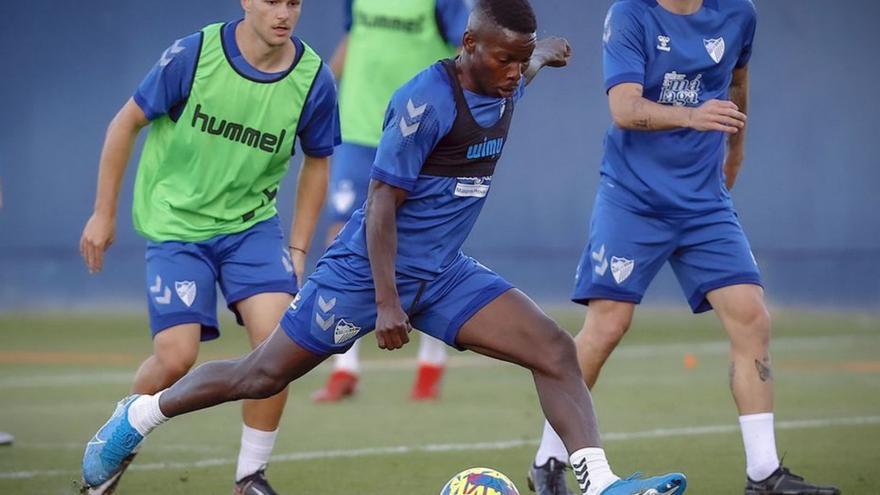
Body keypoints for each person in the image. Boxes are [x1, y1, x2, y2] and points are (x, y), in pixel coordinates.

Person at [82, 2, 689, 494]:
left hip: (443, 274)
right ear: (468, 48)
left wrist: (543, 52)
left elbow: (518, 69)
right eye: (505, 59)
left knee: (555, 349)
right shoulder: (424, 102)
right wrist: (389, 302)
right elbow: (378, 211)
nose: (513, 72)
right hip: (364, 276)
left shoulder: (503, 75)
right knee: (260, 375)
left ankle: (599, 482)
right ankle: (138, 416)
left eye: (520, 62)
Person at [526, 1, 841, 495]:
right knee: (607, 325)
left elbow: (738, 81)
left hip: (703, 201)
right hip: (633, 198)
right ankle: (548, 460)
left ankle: (763, 474)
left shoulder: (739, 13)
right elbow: (624, 109)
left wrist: (736, 148)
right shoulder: (631, 14)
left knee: (752, 316)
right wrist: (694, 116)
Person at [78, 0, 339, 493]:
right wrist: (103, 212)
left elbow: (318, 162)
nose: (283, 13)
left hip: (251, 228)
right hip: (177, 225)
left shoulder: (312, 77)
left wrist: (300, 250)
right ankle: (121, 434)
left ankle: (250, 476)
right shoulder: (193, 56)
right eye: (272, 1)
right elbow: (125, 123)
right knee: (177, 358)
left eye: (294, 2)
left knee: (279, 350)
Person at [312, 0, 471, 403]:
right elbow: (354, 37)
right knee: (341, 238)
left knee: (422, 241)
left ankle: (431, 362)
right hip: (358, 128)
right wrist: (322, 87)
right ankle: (344, 366)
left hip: (419, 132)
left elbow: (465, 54)